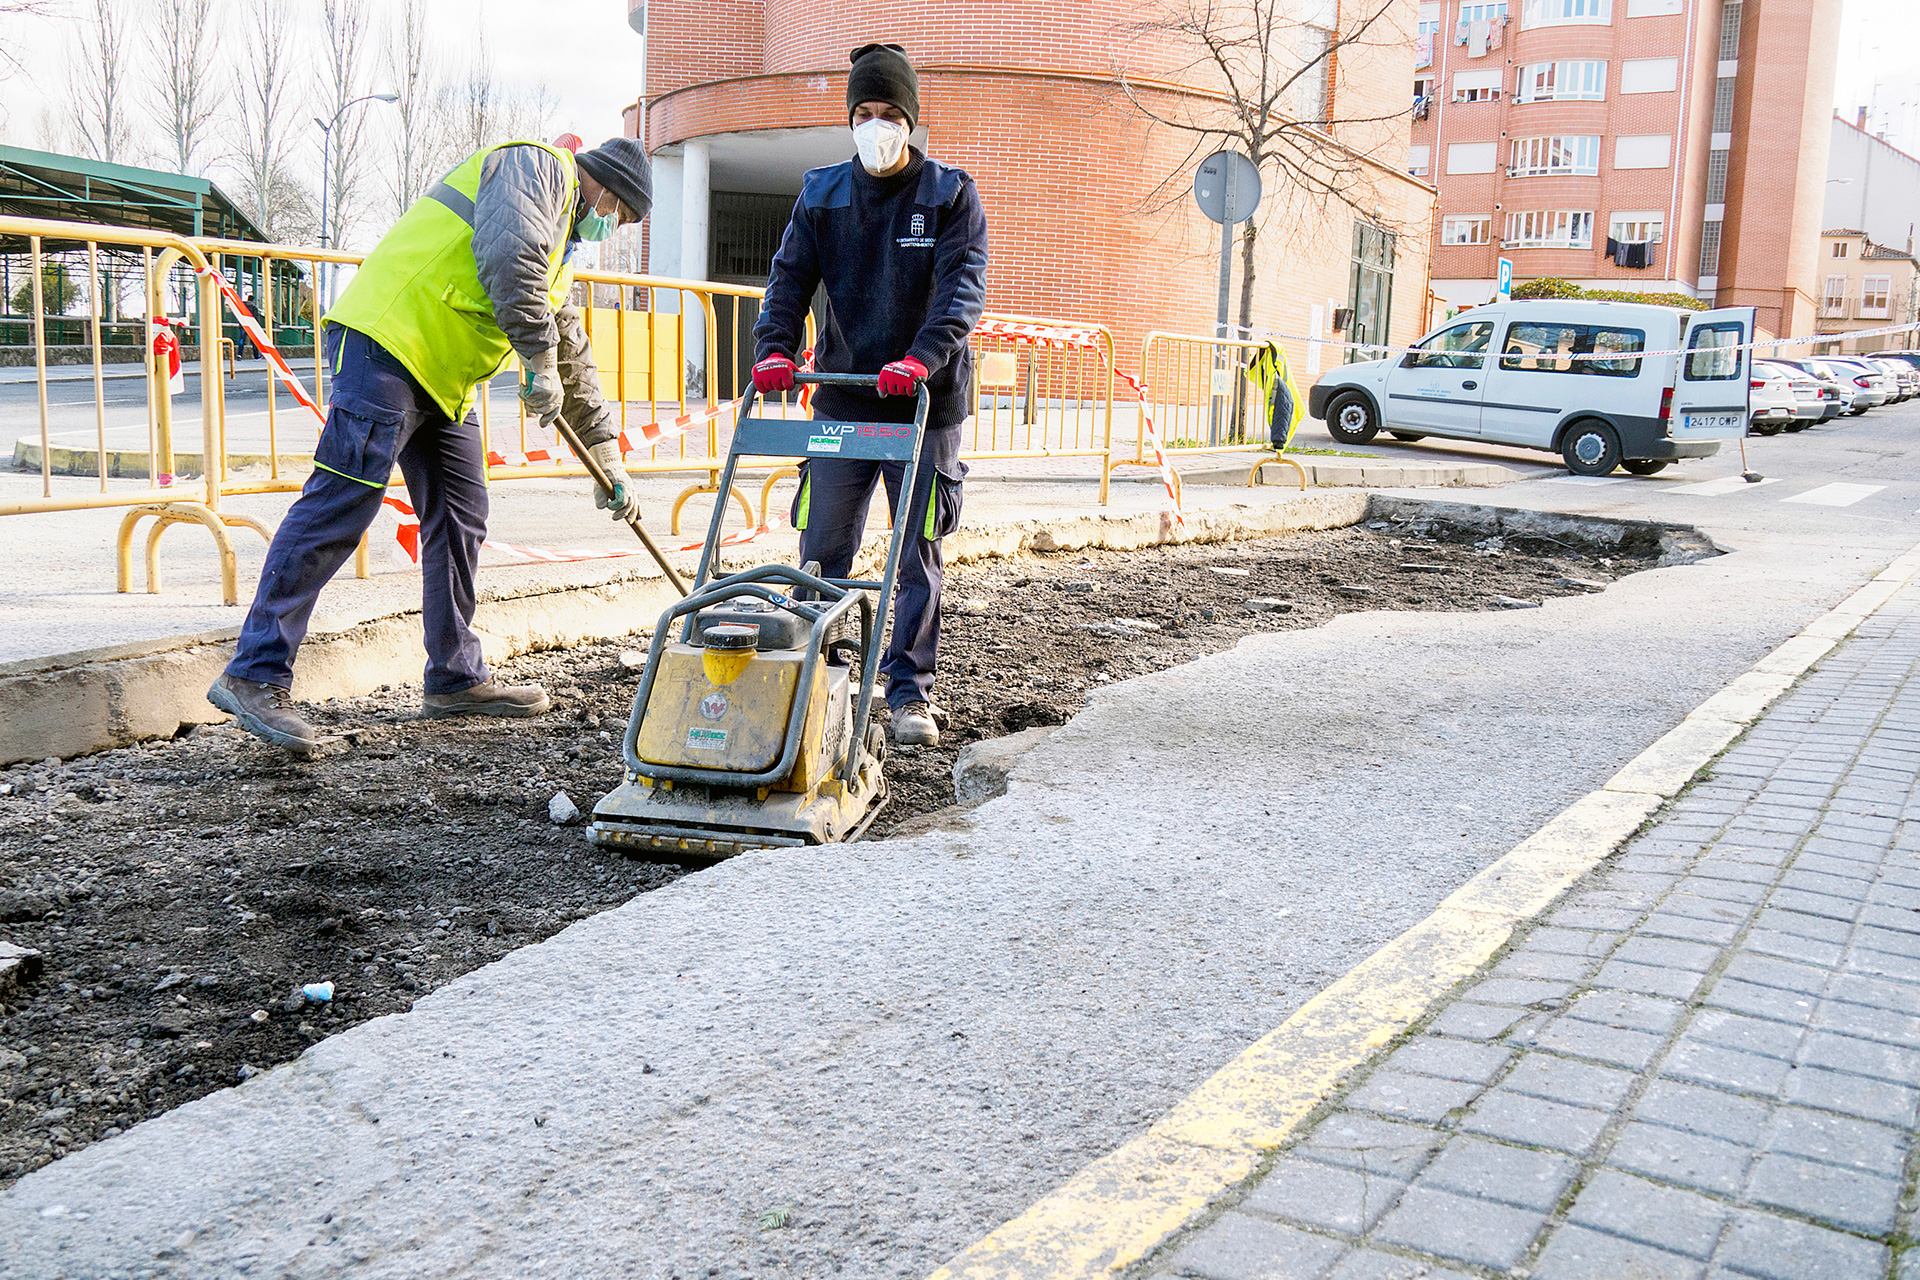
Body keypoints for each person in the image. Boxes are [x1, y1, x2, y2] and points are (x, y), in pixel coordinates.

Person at [208, 136, 653, 756]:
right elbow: (509, 257)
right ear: (604, 186)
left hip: (442, 379)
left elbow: (570, 347)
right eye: (620, 215)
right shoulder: (538, 168)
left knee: (462, 514)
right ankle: (254, 672)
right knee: (343, 502)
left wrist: (608, 458)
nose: (614, 227)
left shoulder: (561, 248)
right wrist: (538, 361)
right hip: (388, 343)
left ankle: (454, 676)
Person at [751, 42, 989, 748]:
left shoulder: (949, 194)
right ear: (850, 118)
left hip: (922, 404)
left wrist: (921, 359)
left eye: (889, 112)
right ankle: (813, 677)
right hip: (845, 397)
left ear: (911, 120)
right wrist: (774, 348)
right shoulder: (822, 194)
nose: (875, 125)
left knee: (915, 557)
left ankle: (908, 691)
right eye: (863, 113)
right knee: (822, 548)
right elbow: (788, 278)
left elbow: (961, 290)